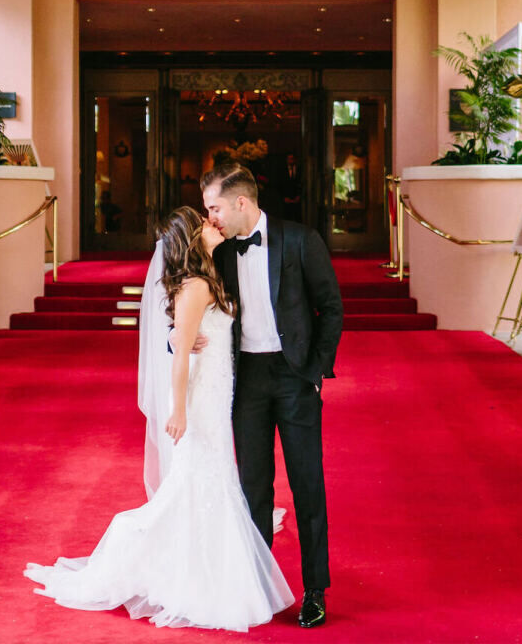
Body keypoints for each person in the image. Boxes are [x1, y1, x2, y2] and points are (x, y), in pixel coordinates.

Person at [24, 206, 293, 632]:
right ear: (192, 237)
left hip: (216, 395)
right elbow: (181, 354)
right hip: (199, 400)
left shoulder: (208, 278)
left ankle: (208, 571)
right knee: (196, 483)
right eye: (205, 221)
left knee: (214, 480)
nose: (213, 223)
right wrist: (180, 411)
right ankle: (163, 568)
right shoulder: (196, 286)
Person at [201, 161, 343, 629]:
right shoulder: (219, 252)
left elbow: (331, 306)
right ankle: (258, 586)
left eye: (215, 207)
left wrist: (316, 369)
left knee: (307, 486)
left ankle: (314, 591)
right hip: (247, 381)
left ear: (242, 202)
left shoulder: (300, 240)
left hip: (295, 375)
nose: (212, 218)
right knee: (253, 489)